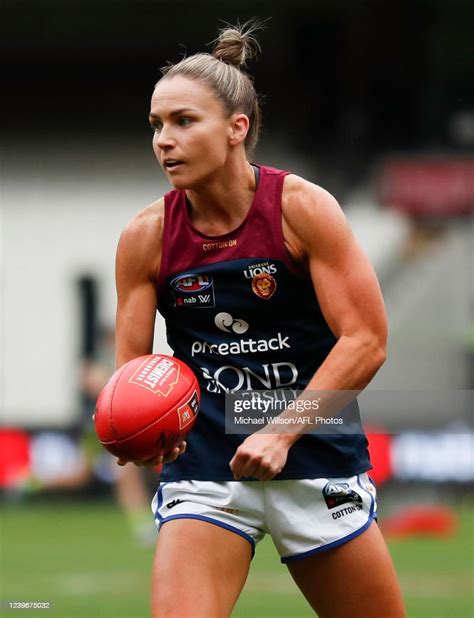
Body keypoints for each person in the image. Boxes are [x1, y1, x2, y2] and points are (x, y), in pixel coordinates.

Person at [115, 22, 406, 618]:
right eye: (156, 125)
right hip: (206, 473)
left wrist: (280, 432)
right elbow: (134, 374)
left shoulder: (302, 209)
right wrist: (137, 433)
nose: (163, 140)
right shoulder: (147, 236)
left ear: (237, 128)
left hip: (315, 459)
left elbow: (367, 340)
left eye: (183, 121)